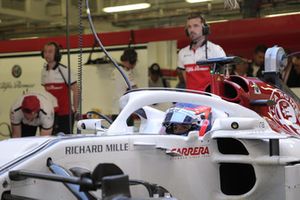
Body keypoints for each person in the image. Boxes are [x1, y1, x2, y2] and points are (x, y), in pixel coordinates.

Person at [177, 13, 226, 91]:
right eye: (189, 27)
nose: (192, 30)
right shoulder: (182, 53)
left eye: (196, 26)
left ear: (204, 29)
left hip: (211, 100)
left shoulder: (216, 50)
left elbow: (223, 79)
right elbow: (186, 82)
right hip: (191, 100)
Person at [41, 42, 79, 135]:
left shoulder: (64, 70)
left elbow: (76, 90)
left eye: (50, 52)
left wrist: (75, 109)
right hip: (50, 114)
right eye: (45, 52)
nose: (47, 54)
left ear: (56, 54)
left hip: (65, 114)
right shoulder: (43, 71)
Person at [111, 47, 138, 124]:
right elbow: (135, 89)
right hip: (123, 111)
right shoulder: (125, 72)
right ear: (131, 60)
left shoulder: (116, 70)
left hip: (115, 111)